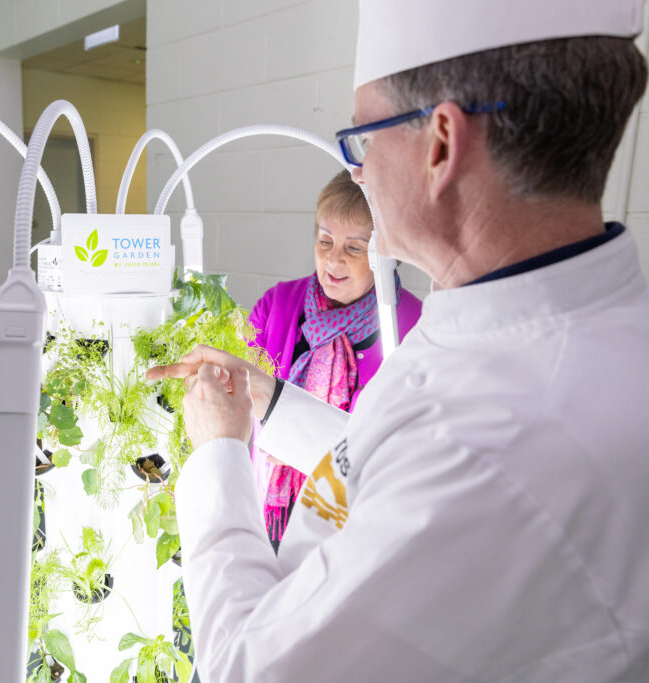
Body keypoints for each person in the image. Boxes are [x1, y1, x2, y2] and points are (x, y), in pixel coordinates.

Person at [148, 1, 649, 679]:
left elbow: (248, 666)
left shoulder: (491, 438)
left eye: (362, 138)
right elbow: (390, 463)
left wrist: (217, 454)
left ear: (440, 142)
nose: (356, 170)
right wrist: (267, 403)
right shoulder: (507, 323)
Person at [248, 169, 421, 546]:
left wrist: (297, 443)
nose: (333, 259)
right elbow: (243, 395)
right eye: (325, 241)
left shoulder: (412, 330)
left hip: (352, 532)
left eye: (354, 247)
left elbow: (398, 452)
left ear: (385, 255)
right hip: (271, 514)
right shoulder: (278, 304)